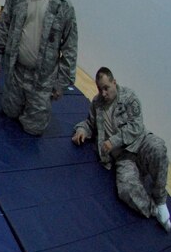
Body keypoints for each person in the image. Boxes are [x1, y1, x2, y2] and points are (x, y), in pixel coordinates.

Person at [0, 0, 78, 136]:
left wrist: (61, 83)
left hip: (42, 79)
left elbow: (70, 47)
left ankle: (35, 107)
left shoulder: (63, 6)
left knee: (33, 128)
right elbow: (4, 23)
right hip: (16, 70)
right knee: (9, 113)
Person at [72, 67, 170, 232]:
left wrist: (114, 140)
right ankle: (154, 209)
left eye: (106, 88)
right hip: (124, 157)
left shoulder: (129, 98)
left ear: (114, 83)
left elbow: (136, 125)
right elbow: (90, 123)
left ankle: (160, 201)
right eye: (99, 89)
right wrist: (81, 131)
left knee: (159, 149)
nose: (103, 93)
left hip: (140, 142)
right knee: (125, 190)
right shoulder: (97, 104)